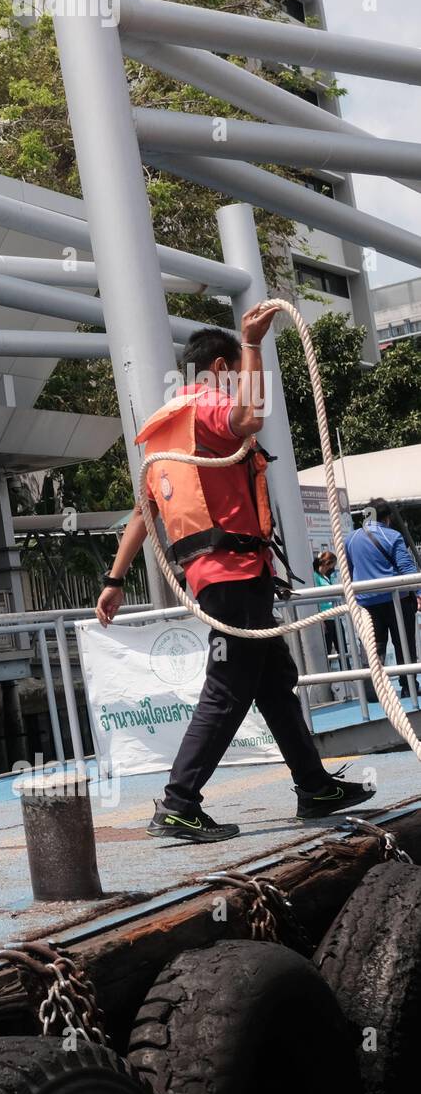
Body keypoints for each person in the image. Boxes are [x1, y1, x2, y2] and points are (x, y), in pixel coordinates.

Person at [96, 309, 375, 843]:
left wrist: (115, 579)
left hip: (217, 573)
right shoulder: (210, 407)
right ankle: (178, 804)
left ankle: (314, 786)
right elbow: (250, 419)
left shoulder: (164, 428)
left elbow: (143, 512)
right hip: (235, 574)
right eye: (235, 368)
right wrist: (253, 343)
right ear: (220, 367)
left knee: (274, 684)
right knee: (226, 690)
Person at [345, 498, 419, 703]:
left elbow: (349, 571)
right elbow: (406, 569)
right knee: (404, 644)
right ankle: (408, 687)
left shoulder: (350, 539)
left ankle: (372, 692)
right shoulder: (392, 536)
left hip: (366, 603)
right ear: (386, 518)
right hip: (397, 601)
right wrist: (419, 594)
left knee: (372, 646)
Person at [313, 551, 339, 659]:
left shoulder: (327, 577)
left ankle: (348, 672)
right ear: (328, 563)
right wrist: (321, 619)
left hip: (335, 615)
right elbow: (315, 598)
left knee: (342, 648)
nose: (333, 568)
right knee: (327, 647)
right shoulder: (315, 577)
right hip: (326, 616)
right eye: (333, 565)